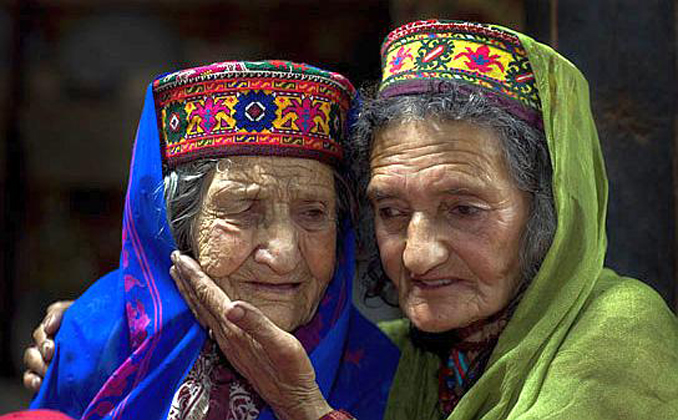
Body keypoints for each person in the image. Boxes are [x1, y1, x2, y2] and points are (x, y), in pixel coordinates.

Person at [26, 20, 678, 419]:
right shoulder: (407, 356)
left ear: (552, 206)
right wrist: (98, 333)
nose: (417, 255)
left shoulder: (622, 336)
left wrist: (303, 408)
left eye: (464, 209)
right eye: (391, 210)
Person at [26, 60, 399, 420]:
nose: (284, 255)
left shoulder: (383, 373)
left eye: (314, 214)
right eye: (244, 210)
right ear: (178, 229)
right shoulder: (96, 339)